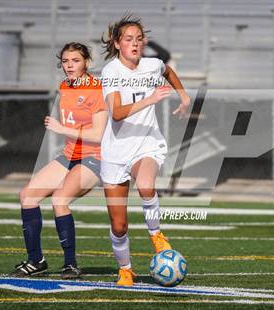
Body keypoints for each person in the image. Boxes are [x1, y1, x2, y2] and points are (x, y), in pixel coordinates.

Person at [100, 15, 191, 286]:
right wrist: (151, 99)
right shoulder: (111, 72)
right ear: (117, 43)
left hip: (147, 144)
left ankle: (157, 237)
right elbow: (116, 113)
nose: (135, 44)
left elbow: (167, 71)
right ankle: (126, 270)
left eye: (139, 39)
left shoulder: (152, 65)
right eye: (128, 39)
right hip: (115, 153)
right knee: (119, 226)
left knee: (146, 185)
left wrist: (184, 96)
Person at [11, 42, 108, 279]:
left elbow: (97, 135)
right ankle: (36, 260)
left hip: (93, 158)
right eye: (65, 61)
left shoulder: (97, 89)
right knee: (27, 197)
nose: (69, 66)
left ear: (86, 62)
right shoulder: (64, 86)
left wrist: (62, 129)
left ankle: (70, 264)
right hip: (69, 156)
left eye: (75, 61)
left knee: (60, 199)